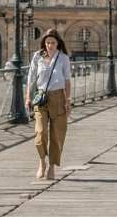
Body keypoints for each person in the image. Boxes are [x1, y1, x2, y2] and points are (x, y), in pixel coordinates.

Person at [26, 28, 72, 180]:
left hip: (58, 97)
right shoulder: (37, 56)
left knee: (57, 135)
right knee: (40, 132)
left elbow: (67, 80)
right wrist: (28, 97)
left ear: (58, 44)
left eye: (52, 43)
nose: (49, 45)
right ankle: (42, 162)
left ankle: (52, 166)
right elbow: (31, 78)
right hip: (41, 98)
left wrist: (68, 100)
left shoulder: (63, 58)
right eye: (47, 43)